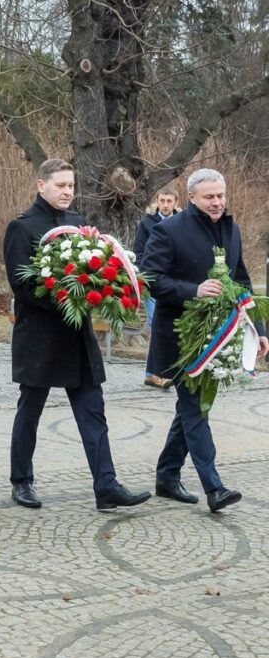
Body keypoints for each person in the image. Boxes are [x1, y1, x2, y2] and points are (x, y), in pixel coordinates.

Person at [3, 159, 151, 511]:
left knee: (93, 410)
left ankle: (106, 485)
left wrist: (102, 289)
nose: (67, 191)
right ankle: (21, 481)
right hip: (40, 337)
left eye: (71, 185)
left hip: (77, 338)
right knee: (30, 412)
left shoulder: (78, 224)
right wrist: (69, 298)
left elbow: (97, 269)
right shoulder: (21, 228)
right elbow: (22, 286)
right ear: (42, 186)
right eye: (60, 185)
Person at [141, 168, 269, 512]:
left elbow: (241, 280)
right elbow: (150, 278)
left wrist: (259, 329)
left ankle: (167, 476)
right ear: (192, 198)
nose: (217, 202)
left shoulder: (231, 228)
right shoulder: (168, 230)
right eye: (209, 196)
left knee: (193, 408)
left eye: (221, 195)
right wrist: (192, 291)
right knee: (196, 407)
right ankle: (214, 487)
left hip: (219, 335)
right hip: (181, 338)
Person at [134, 187, 179, 389]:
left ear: (176, 202)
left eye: (170, 200)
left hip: (177, 283)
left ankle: (170, 371)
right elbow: (139, 251)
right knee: (157, 325)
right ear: (157, 202)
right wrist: (148, 276)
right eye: (163, 200)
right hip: (155, 282)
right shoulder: (147, 224)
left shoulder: (183, 222)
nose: (166, 204)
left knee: (173, 326)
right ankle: (154, 373)